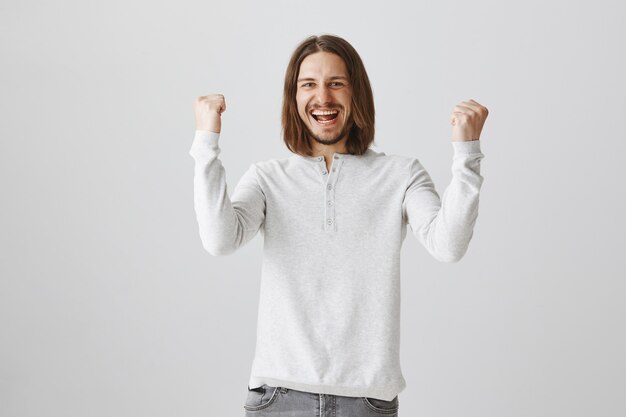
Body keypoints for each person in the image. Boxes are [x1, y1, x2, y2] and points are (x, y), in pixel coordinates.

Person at [189, 34, 488, 417]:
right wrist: (206, 143)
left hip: (366, 400)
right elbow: (219, 239)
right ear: (294, 97)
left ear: (356, 92)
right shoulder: (267, 178)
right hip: (278, 397)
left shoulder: (401, 174)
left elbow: (448, 246)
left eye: (336, 83)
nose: (323, 98)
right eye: (308, 84)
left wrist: (467, 155)